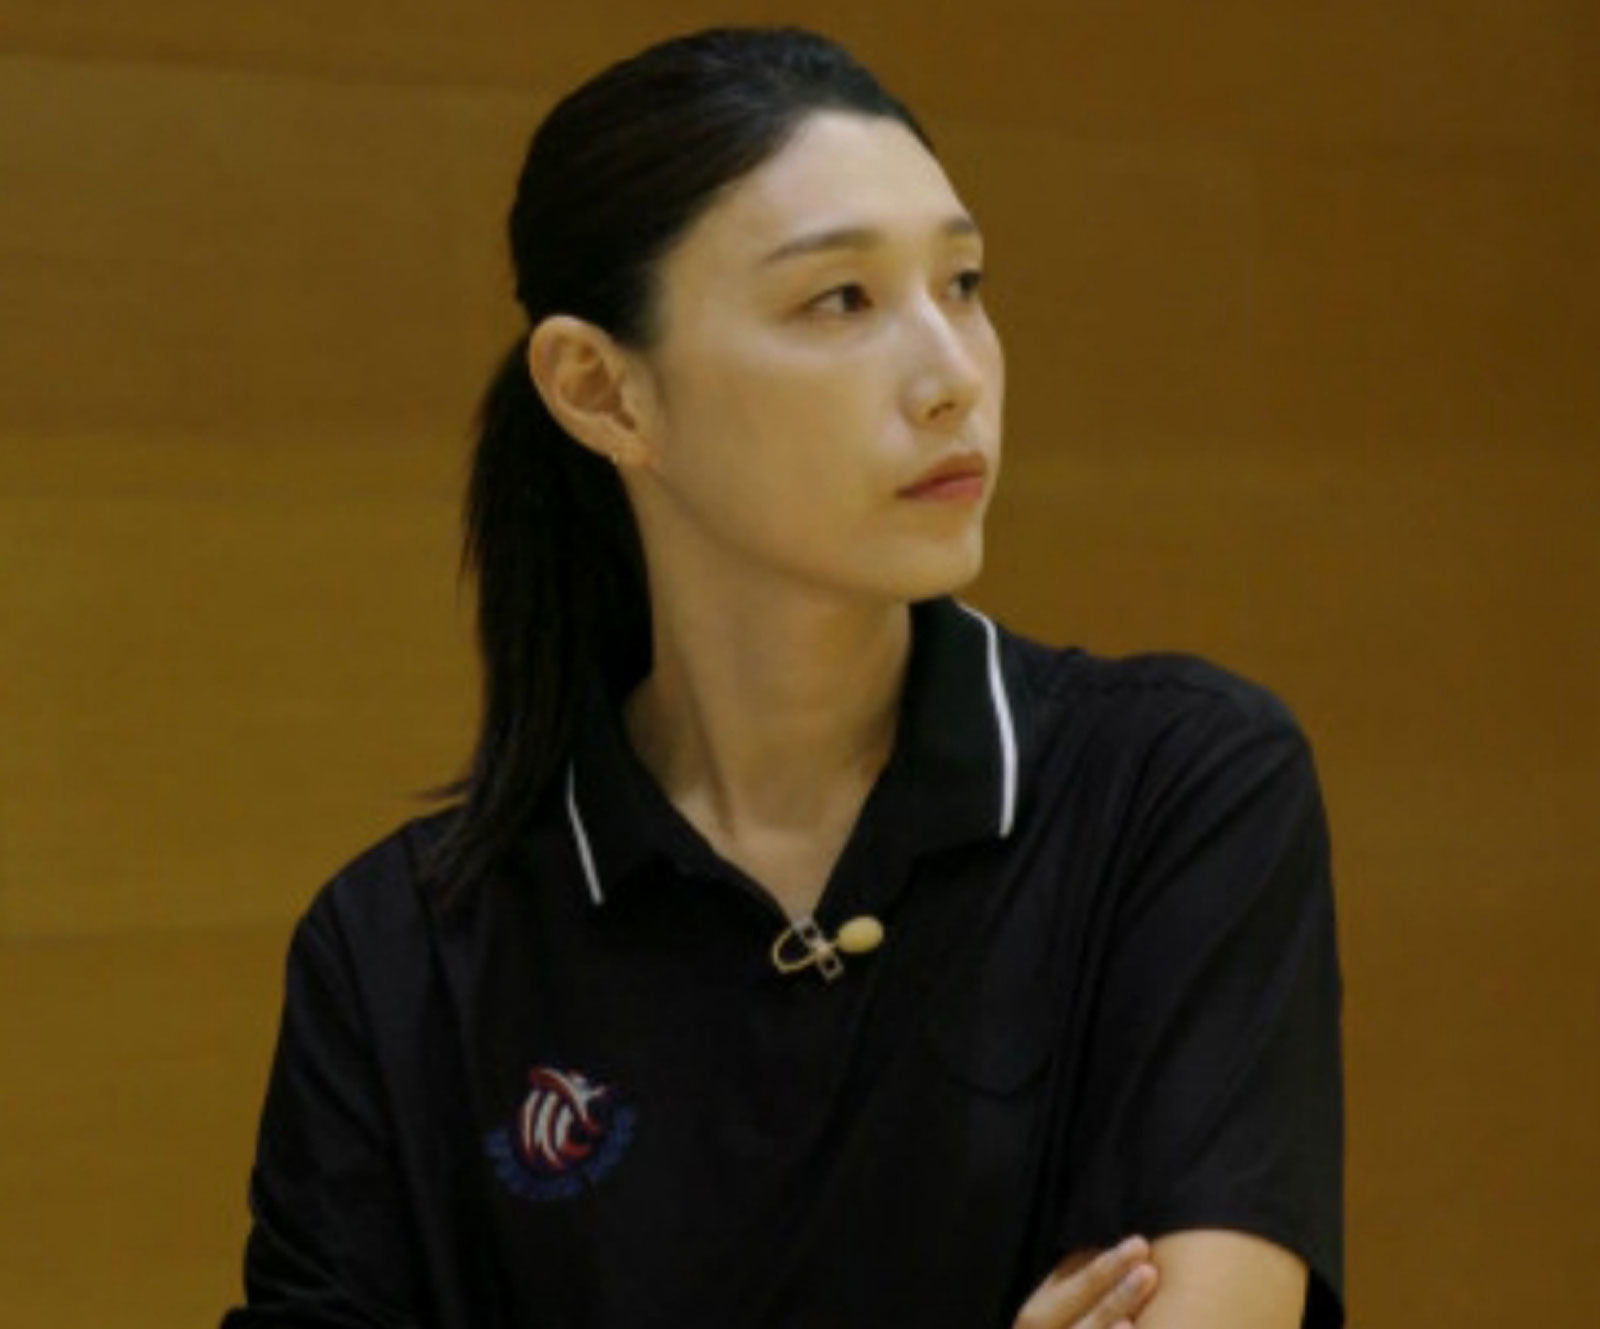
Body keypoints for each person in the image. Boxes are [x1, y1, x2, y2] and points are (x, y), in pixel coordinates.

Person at [220, 24, 1343, 1329]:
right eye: (841, 300)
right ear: (603, 391)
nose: (952, 377)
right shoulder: (398, 958)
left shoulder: (1180, 792)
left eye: (963, 283)